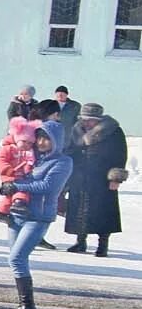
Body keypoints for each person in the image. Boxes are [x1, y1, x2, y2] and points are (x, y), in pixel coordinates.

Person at [0, 120, 73, 309]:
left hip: (38, 216)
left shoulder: (63, 162)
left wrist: (16, 185)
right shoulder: (33, 158)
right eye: (39, 137)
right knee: (16, 260)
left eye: (46, 139)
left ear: (56, 141)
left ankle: (28, 305)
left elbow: (48, 186)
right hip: (18, 214)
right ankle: (24, 304)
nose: (41, 142)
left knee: (17, 258)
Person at [63, 103, 127, 256]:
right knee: (79, 208)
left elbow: (120, 155)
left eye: (90, 119)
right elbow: (71, 150)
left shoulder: (113, 131)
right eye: (84, 119)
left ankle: (102, 245)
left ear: (98, 119)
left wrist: (116, 178)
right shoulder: (77, 130)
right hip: (80, 176)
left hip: (102, 178)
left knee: (103, 212)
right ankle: (80, 241)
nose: (86, 122)